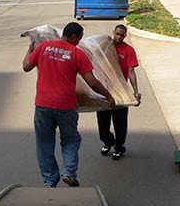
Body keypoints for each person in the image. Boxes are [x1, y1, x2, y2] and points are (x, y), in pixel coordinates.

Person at [23, 22, 115, 188]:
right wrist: (108, 95)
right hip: (65, 106)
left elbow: (26, 66)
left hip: (43, 105)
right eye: (79, 38)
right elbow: (92, 82)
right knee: (71, 140)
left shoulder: (43, 47)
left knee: (44, 142)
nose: (79, 41)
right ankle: (69, 173)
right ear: (73, 36)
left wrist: (29, 51)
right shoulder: (77, 54)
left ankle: (50, 180)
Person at [97, 24, 141, 160]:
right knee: (103, 124)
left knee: (120, 123)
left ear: (125, 35)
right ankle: (108, 141)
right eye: (117, 34)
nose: (119, 37)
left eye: (122, 35)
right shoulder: (105, 47)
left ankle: (119, 147)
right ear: (113, 32)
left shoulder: (128, 50)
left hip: (121, 91)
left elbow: (131, 72)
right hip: (104, 91)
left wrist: (135, 92)